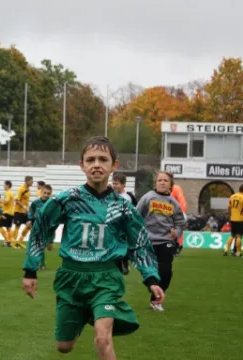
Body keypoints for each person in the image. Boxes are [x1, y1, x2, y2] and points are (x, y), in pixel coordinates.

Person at [22, 136, 164, 359]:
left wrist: (151, 279)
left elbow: (140, 245)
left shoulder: (124, 208)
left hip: (105, 278)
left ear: (113, 165)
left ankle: (100, 313)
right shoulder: (67, 200)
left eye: (102, 159)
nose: (96, 164)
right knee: (63, 346)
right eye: (90, 160)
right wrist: (30, 270)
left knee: (103, 337)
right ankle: (89, 312)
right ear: (82, 165)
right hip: (71, 278)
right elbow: (41, 229)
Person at [136, 171, 186, 312]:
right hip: (148, 241)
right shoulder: (147, 198)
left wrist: (176, 233)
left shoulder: (174, 203)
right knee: (151, 272)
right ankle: (155, 298)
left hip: (166, 241)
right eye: (160, 180)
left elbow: (180, 223)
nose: (162, 182)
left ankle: (155, 300)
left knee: (165, 274)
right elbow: (136, 216)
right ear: (155, 183)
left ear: (171, 184)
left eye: (165, 180)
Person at [25, 183, 53, 270]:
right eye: (45, 193)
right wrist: (29, 219)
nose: (46, 195)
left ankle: (41, 262)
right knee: (33, 246)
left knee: (48, 248)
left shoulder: (51, 203)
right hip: (36, 227)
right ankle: (37, 264)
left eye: (48, 193)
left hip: (47, 228)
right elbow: (31, 211)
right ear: (41, 192)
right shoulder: (35, 203)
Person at [223, 184, 243, 257]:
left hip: (233, 219)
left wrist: (231, 215)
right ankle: (238, 252)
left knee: (232, 235)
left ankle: (226, 250)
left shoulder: (232, 196)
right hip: (241, 219)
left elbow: (229, 207)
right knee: (239, 236)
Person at [13, 175, 33, 248]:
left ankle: (20, 241)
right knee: (17, 226)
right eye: (31, 181)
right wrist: (23, 206)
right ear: (27, 181)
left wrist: (27, 208)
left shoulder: (28, 189)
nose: (32, 182)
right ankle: (13, 242)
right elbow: (16, 200)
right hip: (18, 211)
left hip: (25, 212)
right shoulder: (21, 189)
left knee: (29, 225)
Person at [0, 180, 15, 247]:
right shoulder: (10, 192)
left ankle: (7, 241)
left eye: (5, 185)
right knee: (8, 228)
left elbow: (6, 201)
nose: (4, 186)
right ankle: (9, 241)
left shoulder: (8, 193)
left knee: (0, 226)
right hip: (10, 212)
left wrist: (0, 200)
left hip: (7, 212)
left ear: (8, 185)